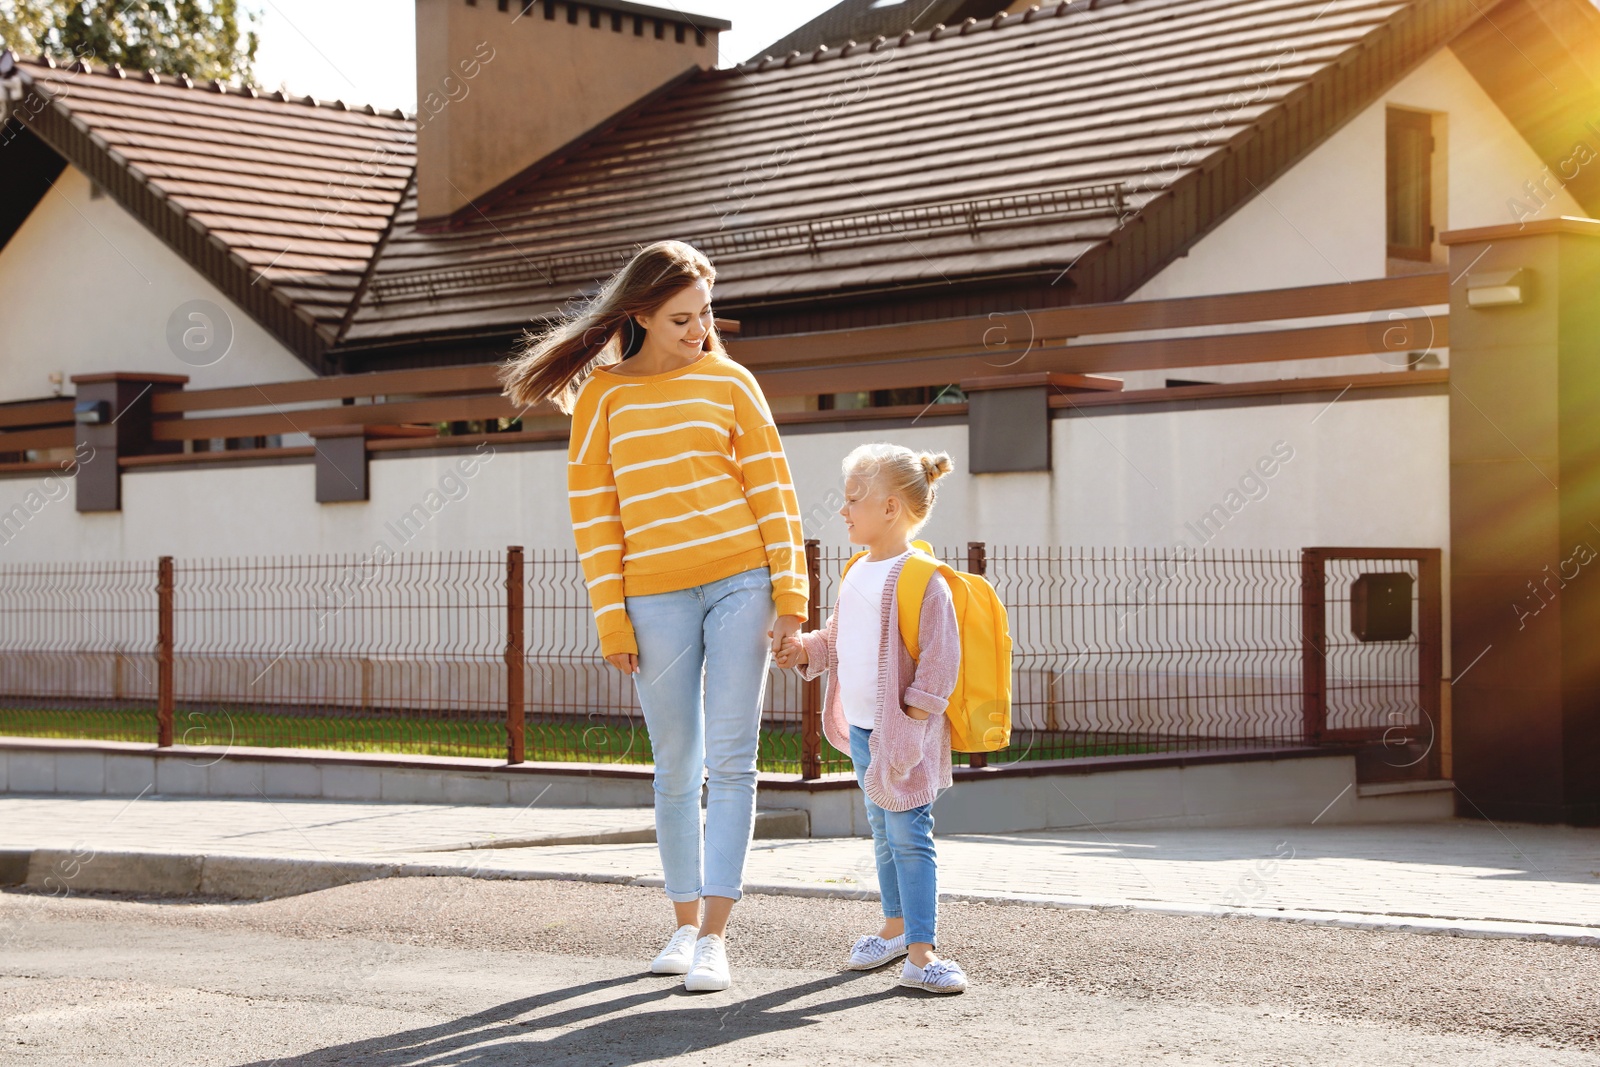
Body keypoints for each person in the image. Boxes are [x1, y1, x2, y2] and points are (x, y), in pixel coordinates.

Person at [499, 240, 808, 993]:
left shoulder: (732, 383)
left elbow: (774, 491)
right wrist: (612, 618)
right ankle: (680, 922)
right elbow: (595, 517)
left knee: (733, 761)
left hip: (742, 581)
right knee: (676, 765)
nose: (701, 328)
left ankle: (714, 936)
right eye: (683, 317)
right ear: (639, 313)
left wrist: (791, 598)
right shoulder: (602, 397)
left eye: (705, 312)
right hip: (652, 596)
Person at [773, 442, 968, 994]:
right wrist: (805, 649)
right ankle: (893, 928)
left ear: (890, 508)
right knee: (884, 832)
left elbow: (940, 658)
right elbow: (838, 640)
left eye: (854, 498)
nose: (843, 509)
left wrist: (911, 717)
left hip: (903, 735)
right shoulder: (858, 570)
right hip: (863, 731)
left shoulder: (922, 577)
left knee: (911, 834)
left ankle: (923, 953)